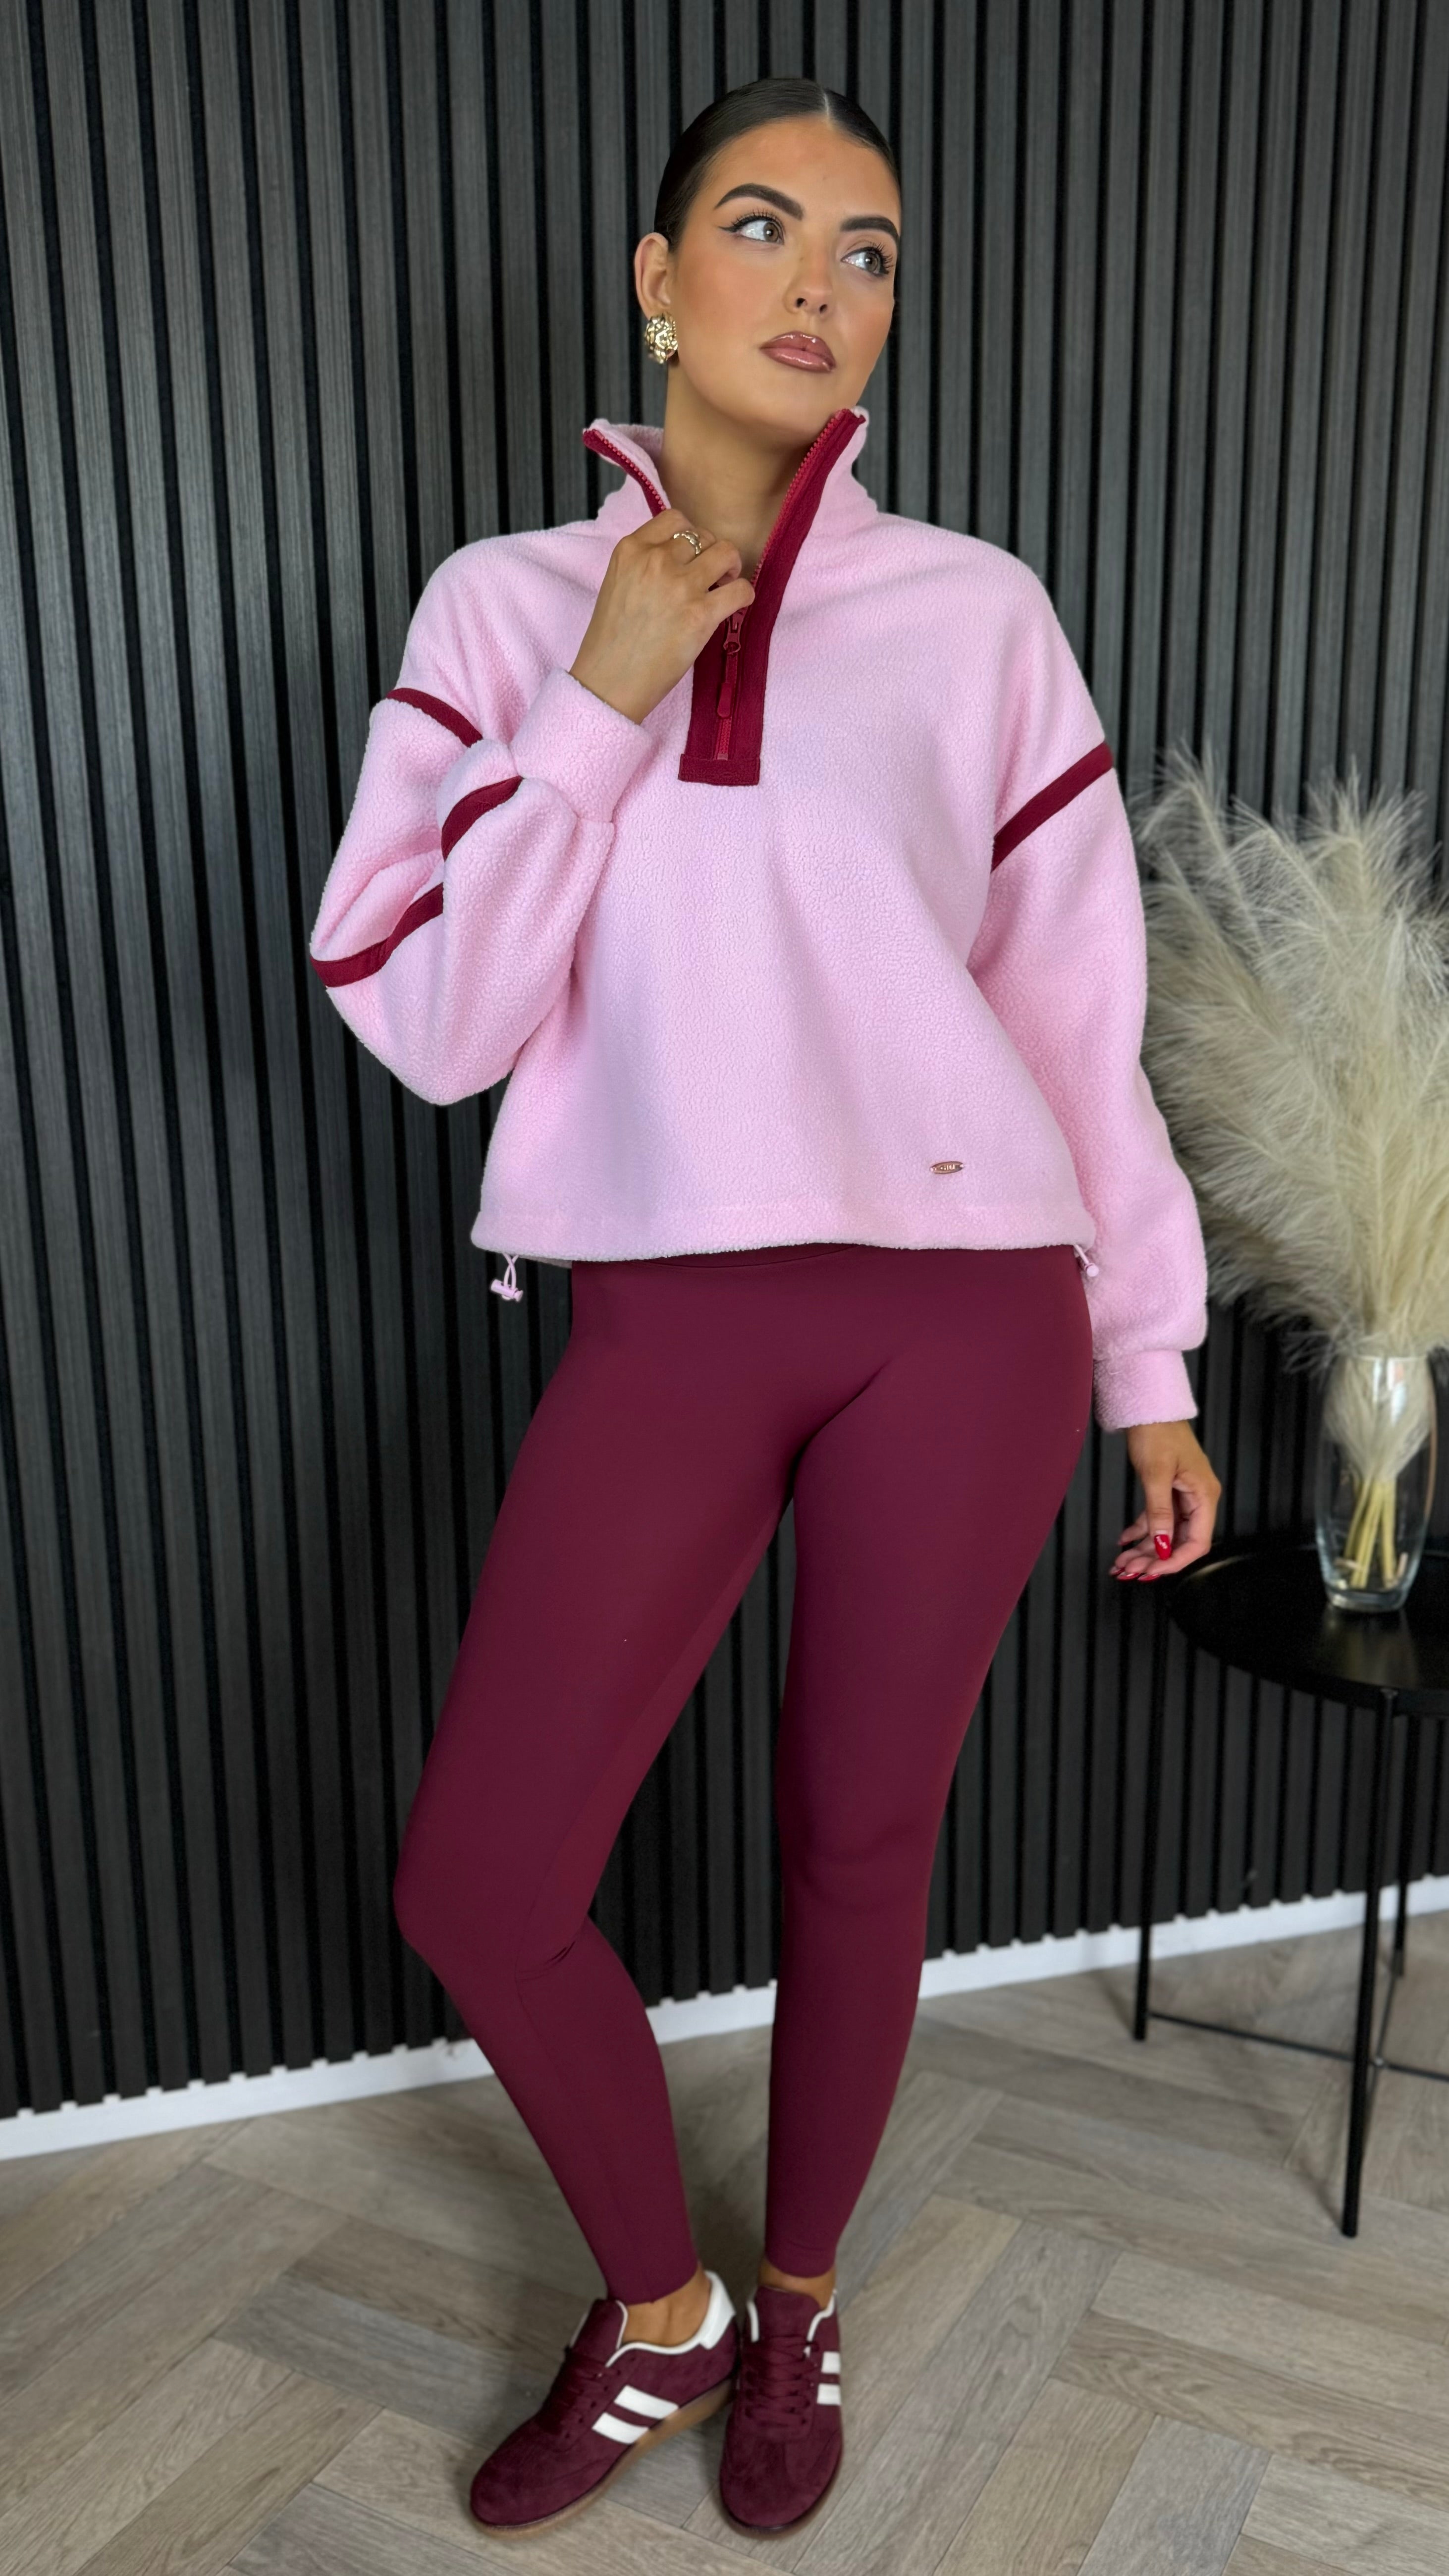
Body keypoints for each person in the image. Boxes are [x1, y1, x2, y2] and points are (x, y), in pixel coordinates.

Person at [308, 72, 1221, 2546]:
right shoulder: (504, 606)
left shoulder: (980, 615)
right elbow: (429, 1019)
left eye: (870, 249)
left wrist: (1147, 1361)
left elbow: (1077, 1026)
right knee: (480, 1877)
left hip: (972, 1315)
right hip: (671, 1312)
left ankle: (798, 2296)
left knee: (860, 1836)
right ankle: (665, 2307)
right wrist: (602, 693)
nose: (820, 284)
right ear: (654, 277)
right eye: (760, 224)